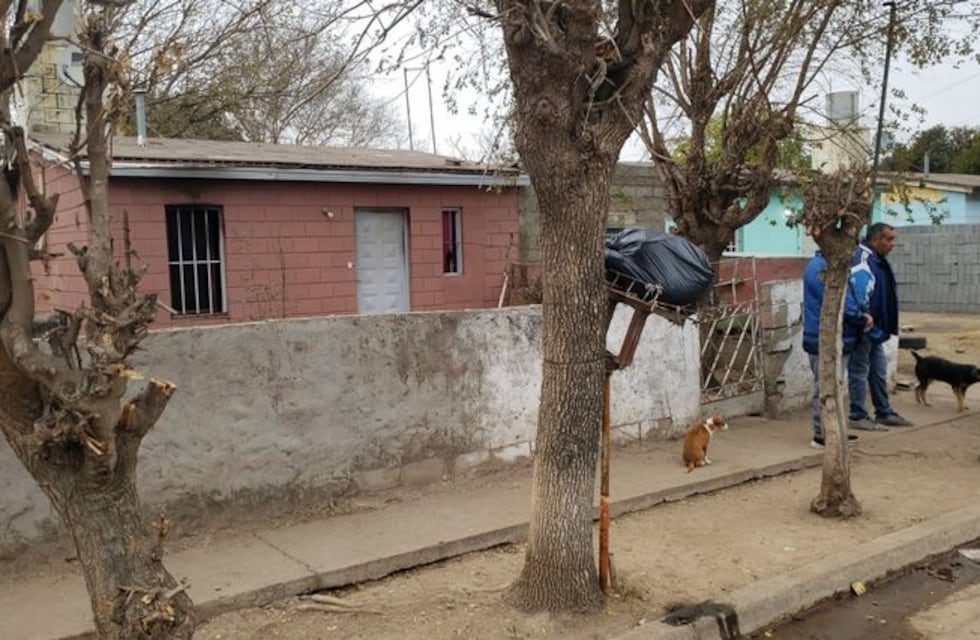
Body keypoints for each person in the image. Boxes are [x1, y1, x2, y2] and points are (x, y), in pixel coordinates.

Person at [802, 251, 872, 448]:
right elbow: (840, 300)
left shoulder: (826, 265)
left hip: (833, 336)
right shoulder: (823, 268)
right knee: (826, 386)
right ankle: (822, 435)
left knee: (833, 386)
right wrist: (861, 318)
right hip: (825, 337)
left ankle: (833, 431)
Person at [847, 223, 914, 430]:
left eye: (893, 239)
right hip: (864, 328)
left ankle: (883, 411)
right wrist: (863, 320)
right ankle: (857, 415)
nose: (892, 244)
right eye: (888, 239)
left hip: (876, 328)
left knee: (878, 369)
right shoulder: (863, 260)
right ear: (875, 240)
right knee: (859, 370)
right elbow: (859, 295)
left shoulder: (878, 260)